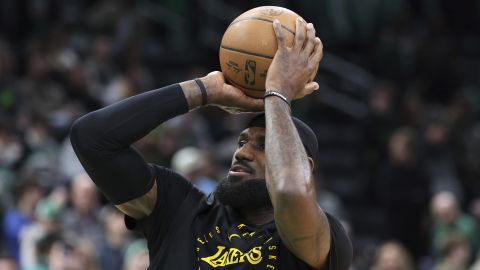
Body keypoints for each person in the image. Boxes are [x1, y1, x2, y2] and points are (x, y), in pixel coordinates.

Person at [70, 17, 352, 269]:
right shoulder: (181, 210)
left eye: (263, 145)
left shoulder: (320, 238)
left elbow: (290, 190)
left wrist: (277, 93)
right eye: (242, 141)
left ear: (307, 166)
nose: (242, 152)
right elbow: (91, 138)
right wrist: (204, 91)